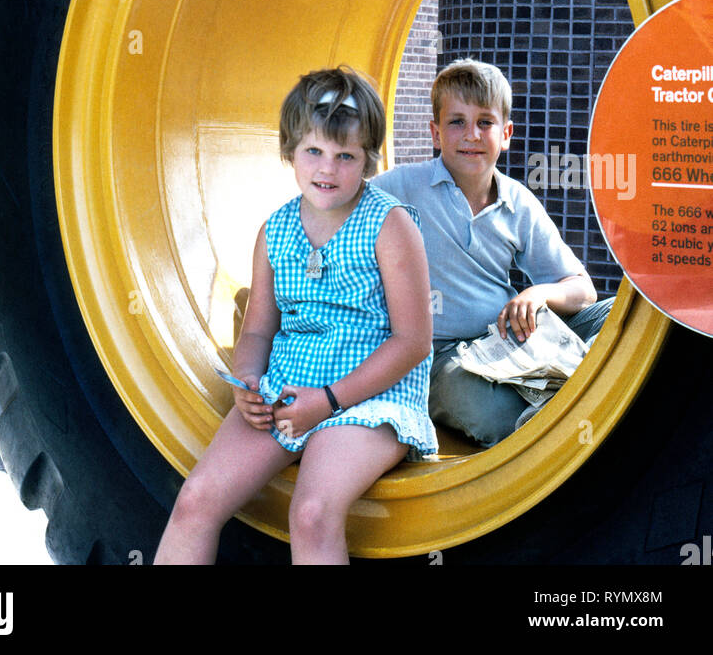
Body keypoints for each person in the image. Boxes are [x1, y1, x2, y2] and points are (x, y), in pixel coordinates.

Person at [153, 65, 436, 565]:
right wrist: (246, 379)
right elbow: (259, 328)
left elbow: (412, 341)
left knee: (310, 513)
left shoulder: (390, 225)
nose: (328, 169)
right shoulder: (275, 231)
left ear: (368, 160)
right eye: (314, 152)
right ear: (289, 151)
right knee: (196, 499)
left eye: (345, 156)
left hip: (370, 393)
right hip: (288, 385)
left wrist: (328, 400)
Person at [373, 59, 614, 448]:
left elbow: (582, 289)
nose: (471, 134)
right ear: (436, 133)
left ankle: (580, 402)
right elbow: (335, 211)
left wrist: (537, 294)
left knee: (621, 314)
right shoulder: (401, 187)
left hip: (508, 336)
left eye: (485, 122)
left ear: (506, 134)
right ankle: (552, 427)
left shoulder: (517, 201)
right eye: (456, 122)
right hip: (439, 355)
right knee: (488, 411)